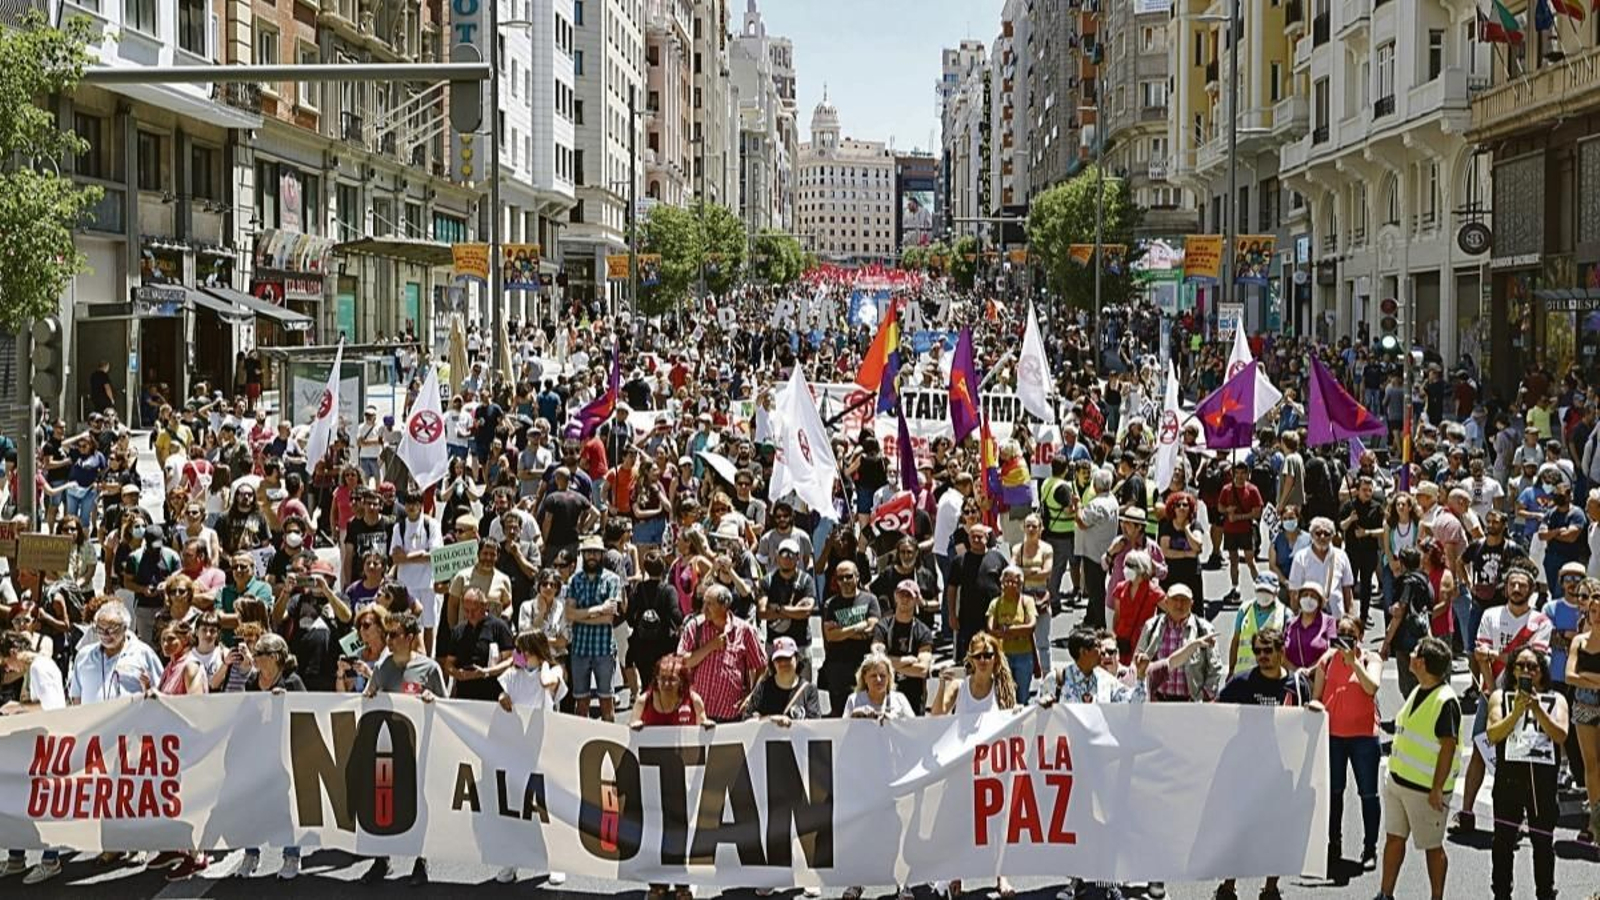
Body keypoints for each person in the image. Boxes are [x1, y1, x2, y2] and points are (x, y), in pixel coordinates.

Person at [1213, 626, 1309, 900]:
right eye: (1257, 651)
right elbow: (1217, 713)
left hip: (1281, 773)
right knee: (1237, 831)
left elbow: (1306, 723)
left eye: (1268, 651)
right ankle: (1228, 885)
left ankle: (1270, 888)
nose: (1262, 656)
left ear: (1281, 652)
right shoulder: (1241, 683)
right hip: (1245, 771)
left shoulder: (1297, 686)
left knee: (1276, 832)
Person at [1457, 561, 1552, 833]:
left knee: (1520, 758)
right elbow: (1480, 655)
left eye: (1523, 585)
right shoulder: (1491, 615)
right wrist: (1491, 691)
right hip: (1492, 695)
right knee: (1479, 749)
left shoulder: (1541, 622)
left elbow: (1532, 661)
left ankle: (1518, 816)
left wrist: (1497, 657)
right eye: (1513, 584)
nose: (1517, 588)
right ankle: (1466, 811)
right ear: (1506, 587)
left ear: (1531, 590)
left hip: (1525, 698)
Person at [929, 631, 1017, 900]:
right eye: (978, 656)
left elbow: (1013, 719)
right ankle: (957, 875)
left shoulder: (1004, 688)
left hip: (994, 766)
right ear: (970, 658)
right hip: (962, 765)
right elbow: (938, 715)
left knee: (998, 822)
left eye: (988, 655)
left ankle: (1001, 874)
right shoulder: (960, 687)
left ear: (995, 658)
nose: (983, 660)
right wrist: (943, 686)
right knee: (959, 822)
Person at [360, 612, 443, 886]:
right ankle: (380, 859)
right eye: (387, 634)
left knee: (417, 804)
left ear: (409, 637)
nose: (389, 640)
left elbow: (447, 708)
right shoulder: (383, 667)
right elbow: (369, 696)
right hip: (387, 749)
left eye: (394, 635)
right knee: (383, 804)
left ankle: (421, 861)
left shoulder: (429, 669)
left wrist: (432, 701)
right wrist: (369, 694)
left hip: (417, 750)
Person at [1373, 637, 1460, 900]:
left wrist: (1436, 789)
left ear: (1421, 662)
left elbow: (1448, 748)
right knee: (1394, 839)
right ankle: (1385, 894)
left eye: (1414, 653)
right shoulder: (1419, 688)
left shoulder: (1445, 701)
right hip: (1399, 783)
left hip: (1425, 792)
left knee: (1432, 847)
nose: (1410, 655)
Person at [1486, 647, 1568, 900]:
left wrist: (1537, 709)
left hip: (1542, 779)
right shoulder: (1501, 696)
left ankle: (1545, 892)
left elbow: (1560, 734)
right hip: (1510, 776)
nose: (1526, 671)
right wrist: (1517, 712)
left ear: (1542, 671)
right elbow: (1493, 733)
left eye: (1532, 666)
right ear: (1511, 670)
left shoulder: (1557, 699)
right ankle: (1501, 892)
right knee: (1503, 840)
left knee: (1543, 841)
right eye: (1520, 665)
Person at [628, 655, 710, 900]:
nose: (665, 684)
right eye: (661, 679)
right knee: (654, 826)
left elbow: (703, 720)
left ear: (682, 681)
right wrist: (635, 726)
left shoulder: (692, 700)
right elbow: (632, 722)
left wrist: (706, 725)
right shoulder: (645, 700)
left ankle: (683, 882)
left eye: (671, 680)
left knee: (680, 828)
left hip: (682, 777)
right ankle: (658, 882)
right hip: (651, 777)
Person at [493, 630, 568, 886]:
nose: (520, 656)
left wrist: (545, 663)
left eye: (525, 651)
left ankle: (555, 862)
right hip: (517, 748)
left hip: (544, 748)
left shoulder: (553, 671)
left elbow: (549, 683)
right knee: (516, 807)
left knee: (545, 808)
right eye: (519, 651)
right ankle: (512, 862)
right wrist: (503, 697)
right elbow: (503, 694)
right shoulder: (513, 674)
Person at [1311, 614, 1383, 880]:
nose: (1343, 637)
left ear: (1359, 636)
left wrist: (1354, 662)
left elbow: (1371, 687)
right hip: (1334, 736)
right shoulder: (1326, 660)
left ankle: (1370, 848)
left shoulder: (1370, 659)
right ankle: (1334, 844)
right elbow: (1317, 697)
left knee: (1368, 794)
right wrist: (1316, 706)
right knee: (1335, 793)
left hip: (1364, 736)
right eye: (1339, 632)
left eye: (1350, 633)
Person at [236, 633, 307, 879]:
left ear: (275, 657)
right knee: (250, 805)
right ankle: (251, 853)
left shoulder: (293, 682)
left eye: (259, 654)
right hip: (257, 753)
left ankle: (291, 856)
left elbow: (305, 716)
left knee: (287, 807)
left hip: (285, 753)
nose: (254, 658)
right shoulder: (252, 681)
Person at [677, 583, 766, 723]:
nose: (704, 609)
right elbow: (683, 661)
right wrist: (710, 646)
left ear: (724, 606)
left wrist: (751, 696)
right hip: (699, 714)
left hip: (731, 716)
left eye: (709, 604)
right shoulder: (694, 627)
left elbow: (761, 667)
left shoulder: (744, 631)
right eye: (704, 603)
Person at [563, 534, 624, 720]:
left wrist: (581, 615)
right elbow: (568, 614)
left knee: (607, 701)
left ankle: (611, 741)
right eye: (588, 552)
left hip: (604, 648)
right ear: (583, 554)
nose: (592, 556)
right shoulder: (575, 580)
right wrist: (599, 609)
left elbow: (608, 618)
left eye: (595, 553)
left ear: (602, 555)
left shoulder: (612, 579)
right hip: (579, 648)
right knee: (581, 703)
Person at [1135, 583, 1222, 703]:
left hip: (1190, 704)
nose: (1179, 604)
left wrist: (1204, 696)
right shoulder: (1151, 626)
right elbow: (1137, 663)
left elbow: (1215, 668)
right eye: (1175, 599)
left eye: (1184, 600)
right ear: (1166, 602)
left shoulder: (1204, 629)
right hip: (1158, 703)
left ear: (1191, 603)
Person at [821, 560, 882, 715]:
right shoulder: (831, 604)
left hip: (864, 666)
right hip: (838, 667)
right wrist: (857, 627)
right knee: (840, 713)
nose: (845, 581)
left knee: (868, 710)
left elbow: (871, 629)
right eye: (840, 578)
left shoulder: (870, 599)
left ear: (857, 577)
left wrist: (842, 631)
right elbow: (831, 636)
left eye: (848, 576)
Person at [871, 579, 936, 714]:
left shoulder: (923, 632)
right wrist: (906, 661)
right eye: (902, 594)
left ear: (916, 600)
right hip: (885, 693)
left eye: (909, 596)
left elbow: (922, 669)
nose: (905, 599)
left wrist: (889, 665)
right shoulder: (882, 627)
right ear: (895, 596)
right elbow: (877, 660)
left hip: (914, 696)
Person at [1566, 587, 1600, 842]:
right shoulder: (1579, 640)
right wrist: (1594, 680)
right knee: (1591, 764)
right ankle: (1593, 821)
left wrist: (1584, 677)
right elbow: (1569, 676)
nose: (1597, 615)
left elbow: (1579, 676)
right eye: (1593, 611)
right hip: (1583, 705)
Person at [441, 587, 515, 702]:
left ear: (485, 606)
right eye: (466, 610)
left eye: (474, 610)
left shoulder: (499, 627)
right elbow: (448, 664)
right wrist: (458, 673)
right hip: (464, 696)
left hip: (492, 695)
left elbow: (511, 659)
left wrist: (487, 672)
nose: (470, 615)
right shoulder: (458, 631)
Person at [986, 565, 1039, 699]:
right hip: (1003, 655)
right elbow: (991, 629)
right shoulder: (995, 603)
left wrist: (1006, 630)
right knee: (1005, 695)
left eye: (1015, 581)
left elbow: (1031, 626)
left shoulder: (1027, 601)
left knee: (1022, 695)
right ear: (1001, 583)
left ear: (1020, 584)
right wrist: (1018, 631)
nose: (1010, 584)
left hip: (1024, 655)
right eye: (1007, 580)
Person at [1216, 462, 1264, 605]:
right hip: (1230, 531)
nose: (1240, 476)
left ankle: (1261, 587)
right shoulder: (1227, 489)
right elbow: (1220, 507)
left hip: (1246, 530)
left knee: (1250, 560)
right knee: (1233, 560)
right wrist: (1227, 510)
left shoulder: (1253, 490)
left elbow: (1257, 512)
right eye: (1237, 473)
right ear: (1232, 473)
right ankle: (1235, 588)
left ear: (1247, 474)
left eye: (1243, 473)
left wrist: (1238, 517)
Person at [744, 636, 821, 723]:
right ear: (773, 663)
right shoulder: (763, 688)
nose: (783, 663)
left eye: (788, 658)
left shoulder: (809, 690)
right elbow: (747, 720)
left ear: (797, 658)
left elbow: (815, 724)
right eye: (779, 659)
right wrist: (770, 719)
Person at [1229, 574, 1289, 678]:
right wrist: (1231, 669)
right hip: (1243, 676)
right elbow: (1236, 641)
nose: (1263, 594)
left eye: (1267, 591)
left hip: (1270, 676)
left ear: (1276, 592)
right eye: (1260, 590)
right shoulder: (1244, 609)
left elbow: (1286, 650)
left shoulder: (1285, 614)